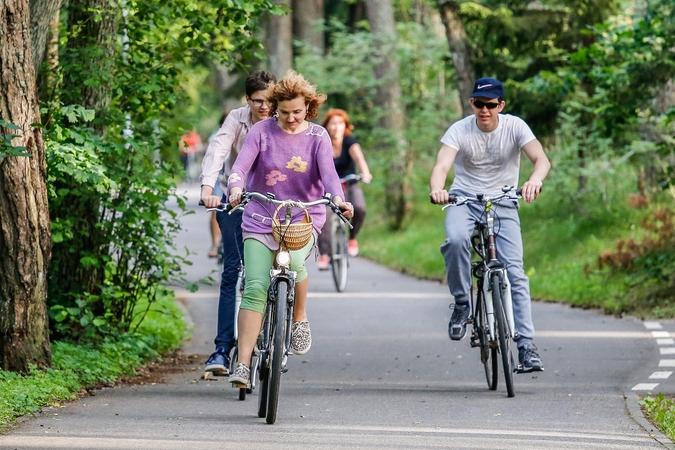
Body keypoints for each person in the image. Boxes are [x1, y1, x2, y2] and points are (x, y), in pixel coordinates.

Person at [226, 70, 354, 386]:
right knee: (255, 286)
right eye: (284, 112)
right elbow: (240, 167)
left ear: (308, 107)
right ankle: (242, 365)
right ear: (275, 107)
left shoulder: (318, 137)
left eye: (297, 112)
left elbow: (329, 177)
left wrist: (339, 199)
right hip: (261, 217)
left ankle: (298, 318)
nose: (291, 118)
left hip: (301, 218)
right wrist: (234, 186)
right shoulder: (261, 132)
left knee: (295, 266)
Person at [429, 77, 551, 372]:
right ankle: (462, 304)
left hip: (504, 201)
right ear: (472, 103)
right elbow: (442, 166)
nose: (485, 110)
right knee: (456, 241)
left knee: (516, 273)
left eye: (491, 105)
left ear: (501, 105)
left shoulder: (515, 127)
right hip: (463, 200)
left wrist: (535, 180)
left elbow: (541, 159)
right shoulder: (459, 130)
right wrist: (438, 188)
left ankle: (526, 346)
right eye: (479, 104)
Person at [199, 70, 277, 375]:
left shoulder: (282, 117)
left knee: (274, 271)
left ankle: (276, 329)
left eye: (269, 101)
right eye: (258, 101)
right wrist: (208, 188)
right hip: (237, 198)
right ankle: (221, 350)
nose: (264, 107)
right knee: (233, 272)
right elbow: (218, 148)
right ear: (248, 99)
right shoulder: (237, 118)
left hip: (274, 202)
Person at [316, 109, 373, 270]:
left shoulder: (349, 141)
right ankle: (325, 254)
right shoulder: (322, 141)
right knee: (324, 215)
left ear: (345, 126)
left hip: (349, 183)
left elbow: (359, 157)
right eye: (333, 123)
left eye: (340, 123)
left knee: (359, 207)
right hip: (327, 186)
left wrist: (365, 173)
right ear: (326, 125)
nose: (336, 127)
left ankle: (352, 239)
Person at [206, 112, 229, 258]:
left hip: (236, 179)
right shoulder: (216, 136)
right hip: (219, 177)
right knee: (216, 208)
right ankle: (215, 243)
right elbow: (212, 157)